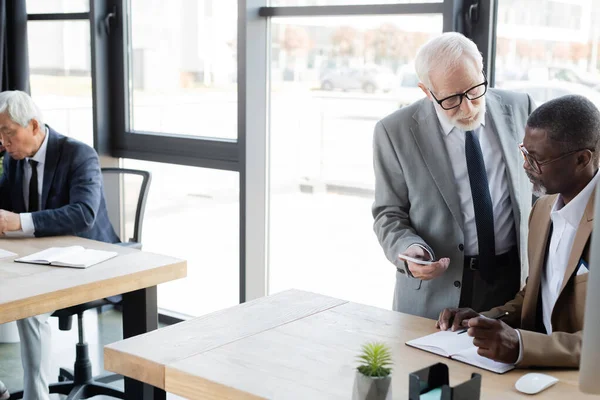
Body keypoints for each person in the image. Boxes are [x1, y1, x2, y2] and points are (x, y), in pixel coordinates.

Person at [372, 32, 534, 319]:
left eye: (474, 90)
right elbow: (388, 213)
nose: (468, 106)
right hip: (436, 293)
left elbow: (540, 189)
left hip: (513, 282)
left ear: (482, 71)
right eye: (452, 99)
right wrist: (410, 250)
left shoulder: (520, 107)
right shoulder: (394, 131)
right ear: (426, 91)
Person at [437, 94, 599, 367]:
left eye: (537, 159)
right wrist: (484, 320)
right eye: (524, 152)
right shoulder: (542, 209)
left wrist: (523, 346)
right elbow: (533, 295)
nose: (526, 165)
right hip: (532, 376)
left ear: (582, 159)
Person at [0, 90, 119, 399]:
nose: (3, 142)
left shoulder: (78, 154)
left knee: (29, 306)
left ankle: (35, 397)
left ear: (35, 126)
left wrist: (19, 222)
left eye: (8, 133)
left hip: (89, 261)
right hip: (38, 260)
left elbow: (83, 215)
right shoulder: (13, 159)